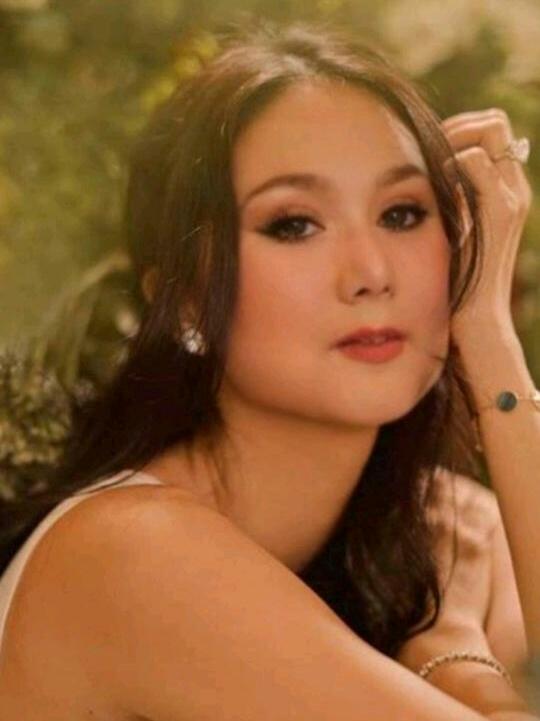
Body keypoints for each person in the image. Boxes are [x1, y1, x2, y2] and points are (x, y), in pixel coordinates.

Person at [0, 16, 538, 721]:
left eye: (402, 213)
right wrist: (455, 644)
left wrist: (486, 332)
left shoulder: (448, 531)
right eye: (294, 224)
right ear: (186, 302)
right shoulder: (131, 552)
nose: (371, 272)